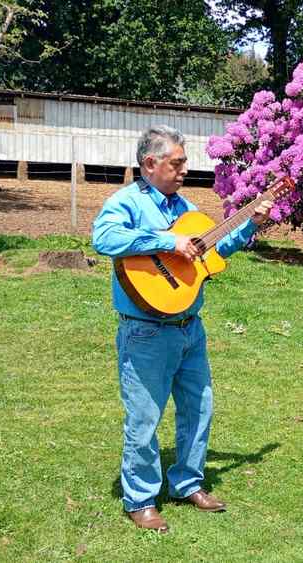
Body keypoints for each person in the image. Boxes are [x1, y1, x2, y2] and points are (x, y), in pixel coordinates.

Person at [92, 125, 273, 533]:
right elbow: (103, 237)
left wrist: (250, 225)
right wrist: (167, 243)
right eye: (176, 163)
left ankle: (187, 482)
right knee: (144, 418)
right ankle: (140, 499)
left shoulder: (185, 207)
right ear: (149, 164)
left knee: (198, 407)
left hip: (190, 327)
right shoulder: (127, 202)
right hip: (146, 331)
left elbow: (213, 251)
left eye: (184, 163)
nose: (184, 170)